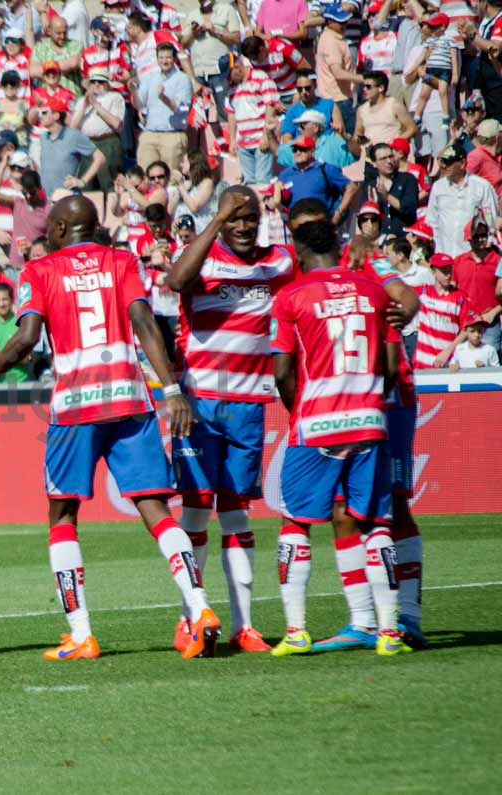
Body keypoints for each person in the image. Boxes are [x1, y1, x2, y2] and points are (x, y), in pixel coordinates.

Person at [0, 194, 222, 661]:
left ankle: (81, 633)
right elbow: (144, 322)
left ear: (57, 230)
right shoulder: (121, 260)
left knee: (63, 515)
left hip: (75, 407)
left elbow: (29, 337)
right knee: (155, 509)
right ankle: (199, 607)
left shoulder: (41, 270)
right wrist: (171, 390)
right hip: (130, 399)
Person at [268, 216, 410, 658]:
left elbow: (282, 372)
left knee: (295, 523)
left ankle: (296, 631)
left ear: (298, 250)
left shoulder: (291, 296)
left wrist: (303, 412)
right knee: (377, 524)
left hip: (317, 424)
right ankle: (389, 633)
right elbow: (390, 365)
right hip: (369, 419)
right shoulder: (373, 291)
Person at [164, 186, 294, 653]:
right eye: (234, 217)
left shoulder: (276, 262)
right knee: (196, 510)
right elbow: (176, 281)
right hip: (198, 405)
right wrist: (215, 222)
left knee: (237, 512)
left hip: (247, 406)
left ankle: (244, 625)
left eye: (249, 218)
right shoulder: (201, 259)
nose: (242, 226)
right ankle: (190, 618)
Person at [428, 143, 500, 259]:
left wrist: (489, 240)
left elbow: (491, 218)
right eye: (442, 162)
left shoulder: (481, 186)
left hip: (473, 254)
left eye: (448, 162)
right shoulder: (438, 187)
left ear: (462, 163)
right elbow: (432, 220)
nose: (444, 166)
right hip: (445, 254)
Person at [276, 135, 359, 223]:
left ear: (312, 151)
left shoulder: (325, 169)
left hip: (321, 226)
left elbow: (352, 187)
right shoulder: (286, 174)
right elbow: (275, 200)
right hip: (297, 228)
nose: (297, 152)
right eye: (295, 149)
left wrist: (337, 215)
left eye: (302, 149)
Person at [135, 43, 192, 171]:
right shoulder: (150, 77)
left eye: (168, 58)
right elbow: (140, 103)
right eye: (161, 58)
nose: (164, 61)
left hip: (172, 135)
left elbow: (182, 109)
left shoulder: (183, 79)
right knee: (145, 175)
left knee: (172, 177)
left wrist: (163, 98)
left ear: (174, 59)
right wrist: (132, 90)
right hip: (150, 133)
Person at [225, 57, 279, 186]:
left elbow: (270, 105)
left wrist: (266, 135)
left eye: (229, 73)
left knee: (262, 180)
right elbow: (231, 114)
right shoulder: (232, 87)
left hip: (260, 139)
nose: (227, 78)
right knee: (249, 183)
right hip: (242, 141)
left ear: (238, 67)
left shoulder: (260, 77)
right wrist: (232, 140)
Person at [453, 215, 502, 354]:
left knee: (490, 368)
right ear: (468, 238)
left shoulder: (498, 261)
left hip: (488, 325)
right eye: (477, 236)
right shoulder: (458, 261)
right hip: (464, 325)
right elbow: (453, 292)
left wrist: (494, 312)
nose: (481, 239)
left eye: (484, 235)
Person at [414, 253, 472, 368]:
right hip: (422, 362)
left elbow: (466, 329)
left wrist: (448, 351)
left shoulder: (460, 297)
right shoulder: (423, 292)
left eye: (450, 270)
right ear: (433, 271)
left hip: (449, 362)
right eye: (444, 271)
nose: (448, 275)